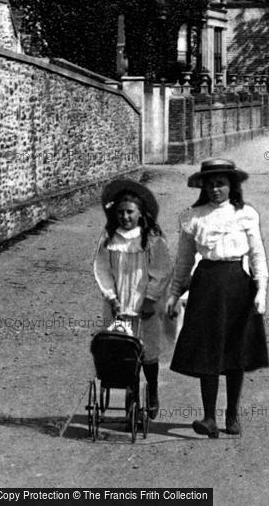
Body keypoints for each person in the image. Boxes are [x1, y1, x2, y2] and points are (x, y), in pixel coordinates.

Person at [166, 159, 269, 439]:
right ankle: (209, 416)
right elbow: (184, 262)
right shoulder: (193, 217)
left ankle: (232, 413)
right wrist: (175, 293)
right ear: (203, 186)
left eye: (221, 183)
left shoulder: (246, 214)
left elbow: (257, 254)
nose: (216, 189)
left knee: (236, 349)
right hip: (206, 285)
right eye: (210, 184)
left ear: (232, 186)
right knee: (208, 350)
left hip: (237, 283)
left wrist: (261, 291)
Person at [93, 179, 172, 419]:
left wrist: (150, 298)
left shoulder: (152, 240)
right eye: (120, 212)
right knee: (124, 354)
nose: (125, 217)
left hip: (144, 305)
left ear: (140, 214)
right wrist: (111, 296)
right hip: (118, 306)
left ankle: (153, 390)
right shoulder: (109, 239)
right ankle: (132, 403)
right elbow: (102, 269)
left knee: (146, 352)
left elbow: (162, 270)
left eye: (130, 212)